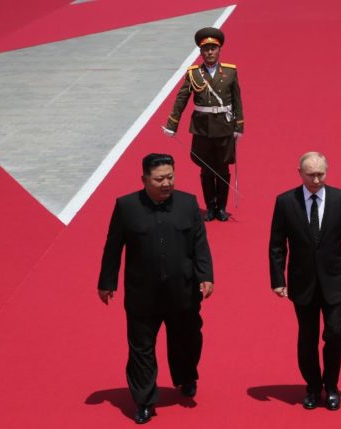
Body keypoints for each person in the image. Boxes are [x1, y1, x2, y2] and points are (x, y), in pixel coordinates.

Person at [97, 153, 214, 424]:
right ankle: (144, 400)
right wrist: (106, 282)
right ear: (144, 179)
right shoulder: (126, 206)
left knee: (188, 341)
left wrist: (205, 275)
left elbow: (200, 244)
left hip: (183, 292)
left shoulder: (188, 203)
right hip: (142, 295)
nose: (166, 183)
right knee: (141, 349)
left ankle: (186, 377)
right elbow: (113, 247)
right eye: (159, 178)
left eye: (170, 177)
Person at [268, 152, 341, 411]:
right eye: (310, 174)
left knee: (335, 332)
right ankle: (312, 386)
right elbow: (277, 245)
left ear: (327, 171)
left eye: (320, 173)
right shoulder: (286, 202)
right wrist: (278, 279)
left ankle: (331, 386)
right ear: (298, 172)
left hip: (334, 280)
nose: (316, 179)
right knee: (307, 337)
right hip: (302, 282)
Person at [163, 27, 244, 222]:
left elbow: (237, 100)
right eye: (205, 49)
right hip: (202, 129)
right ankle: (210, 207)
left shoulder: (230, 72)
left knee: (223, 169)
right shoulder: (194, 74)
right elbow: (181, 99)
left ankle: (222, 208)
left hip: (224, 128)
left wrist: (239, 126)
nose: (209, 52)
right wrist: (172, 124)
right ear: (200, 52)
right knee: (206, 169)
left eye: (213, 49)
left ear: (219, 51)